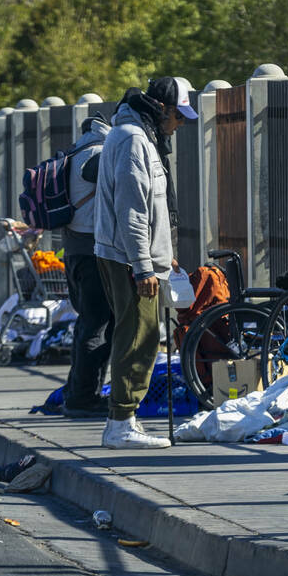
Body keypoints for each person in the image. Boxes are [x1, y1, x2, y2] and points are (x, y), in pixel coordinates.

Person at [93, 77, 197, 448]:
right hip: (128, 259)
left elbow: (148, 209)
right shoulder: (134, 141)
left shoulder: (138, 136)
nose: (180, 124)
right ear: (162, 110)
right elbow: (133, 211)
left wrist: (161, 252)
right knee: (139, 337)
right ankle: (121, 424)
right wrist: (143, 266)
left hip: (130, 256)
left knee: (139, 334)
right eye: (178, 116)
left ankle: (123, 421)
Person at [60, 114, 114, 418]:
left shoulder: (73, 152)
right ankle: (83, 398)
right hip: (93, 252)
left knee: (86, 323)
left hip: (73, 250)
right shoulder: (97, 154)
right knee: (97, 325)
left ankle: (76, 391)